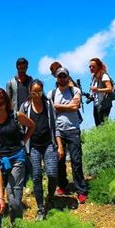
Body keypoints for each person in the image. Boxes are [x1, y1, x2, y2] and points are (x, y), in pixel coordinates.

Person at [0, 89, 35, 228]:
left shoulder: (16, 116)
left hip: (17, 158)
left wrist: (24, 140)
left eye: (2, 103)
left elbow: (32, 125)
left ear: (6, 102)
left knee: (14, 200)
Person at [20, 80, 62, 220]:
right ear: (30, 92)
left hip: (48, 144)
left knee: (52, 173)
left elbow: (56, 127)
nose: (37, 95)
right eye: (34, 92)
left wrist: (60, 145)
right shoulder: (25, 107)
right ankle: (40, 208)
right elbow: (20, 126)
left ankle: (50, 196)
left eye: (39, 91)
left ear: (42, 91)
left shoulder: (49, 105)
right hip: (33, 147)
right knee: (36, 176)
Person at [51, 68, 89, 203]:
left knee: (76, 160)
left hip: (73, 129)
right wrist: (68, 105)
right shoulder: (52, 93)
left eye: (64, 76)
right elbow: (55, 110)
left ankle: (81, 191)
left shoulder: (75, 90)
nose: (62, 78)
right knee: (59, 160)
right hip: (58, 131)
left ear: (68, 77)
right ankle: (62, 186)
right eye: (59, 76)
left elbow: (75, 107)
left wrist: (58, 106)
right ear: (56, 78)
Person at [88, 58, 114, 126]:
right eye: (90, 66)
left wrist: (98, 90)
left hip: (104, 104)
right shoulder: (94, 77)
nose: (91, 68)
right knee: (98, 125)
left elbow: (110, 89)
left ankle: (106, 136)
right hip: (96, 104)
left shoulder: (104, 75)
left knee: (102, 125)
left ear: (99, 66)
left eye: (93, 66)